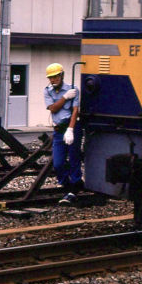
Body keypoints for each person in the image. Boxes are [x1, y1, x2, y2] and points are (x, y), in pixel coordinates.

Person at [44, 63, 83, 204]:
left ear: (62, 75)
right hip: (58, 130)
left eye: (55, 76)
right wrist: (65, 97)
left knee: (74, 159)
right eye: (50, 77)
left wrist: (71, 129)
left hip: (72, 127)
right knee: (58, 163)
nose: (53, 80)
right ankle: (67, 186)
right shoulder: (48, 91)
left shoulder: (73, 89)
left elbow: (75, 111)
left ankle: (74, 189)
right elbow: (53, 109)